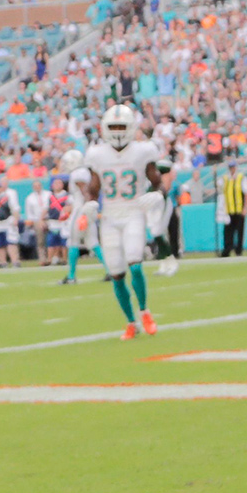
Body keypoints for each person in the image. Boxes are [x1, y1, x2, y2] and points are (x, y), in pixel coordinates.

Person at [84, 104, 162, 339]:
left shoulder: (143, 151)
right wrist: (90, 201)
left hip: (133, 211)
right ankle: (131, 322)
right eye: (113, 126)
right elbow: (94, 186)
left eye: (122, 126)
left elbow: (156, 179)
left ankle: (145, 311)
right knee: (117, 273)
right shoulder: (97, 154)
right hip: (109, 215)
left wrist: (157, 193)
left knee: (135, 262)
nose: (117, 131)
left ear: (131, 128)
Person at [59, 148, 105, 284]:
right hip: (86, 209)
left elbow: (85, 190)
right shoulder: (85, 172)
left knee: (73, 241)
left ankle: (71, 276)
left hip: (81, 211)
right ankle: (110, 271)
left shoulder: (78, 173)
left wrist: (85, 208)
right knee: (93, 242)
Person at [218, 159, 247, 257]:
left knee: (239, 231)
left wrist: (245, 207)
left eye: (233, 167)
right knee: (228, 231)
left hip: (239, 209)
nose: (232, 169)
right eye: (230, 167)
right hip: (229, 209)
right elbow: (219, 188)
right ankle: (227, 249)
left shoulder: (241, 178)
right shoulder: (225, 178)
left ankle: (238, 250)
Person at [24, 179, 51, 265]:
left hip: (49, 219)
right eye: (35, 186)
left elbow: (50, 207)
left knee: (52, 239)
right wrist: (38, 221)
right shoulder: (30, 198)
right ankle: (42, 259)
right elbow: (29, 213)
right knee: (40, 241)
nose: (37, 187)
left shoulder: (48, 194)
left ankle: (52, 257)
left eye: (38, 185)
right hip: (37, 221)